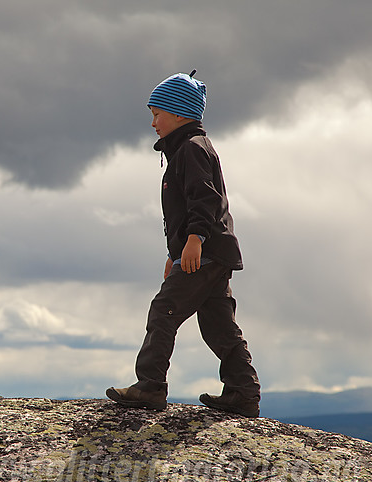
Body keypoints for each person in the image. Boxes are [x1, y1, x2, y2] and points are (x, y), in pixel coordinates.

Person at [106, 70, 261, 417]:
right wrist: (174, 254)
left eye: (156, 114)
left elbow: (203, 201)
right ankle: (243, 392)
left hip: (204, 251)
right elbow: (189, 208)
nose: (153, 123)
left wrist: (194, 241)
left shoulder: (191, 149)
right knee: (218, 324)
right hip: (210, 252)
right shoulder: (188, 149)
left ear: (178, 113)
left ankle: (150, 385)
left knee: (164, 311)